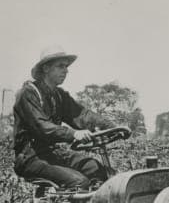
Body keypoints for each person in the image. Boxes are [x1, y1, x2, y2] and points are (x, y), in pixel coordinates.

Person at [13, 48, 110, 189]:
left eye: (66, 66)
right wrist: (73, 133)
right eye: (60, 66)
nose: (66, 70)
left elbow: (82, 116)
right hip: (30, 157)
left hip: (53, 154)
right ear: (46, 68)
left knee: (96, 168)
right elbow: (42, 126)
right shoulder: (28, 93)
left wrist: (112, 127)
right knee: (79, 182)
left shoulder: (59, 95)